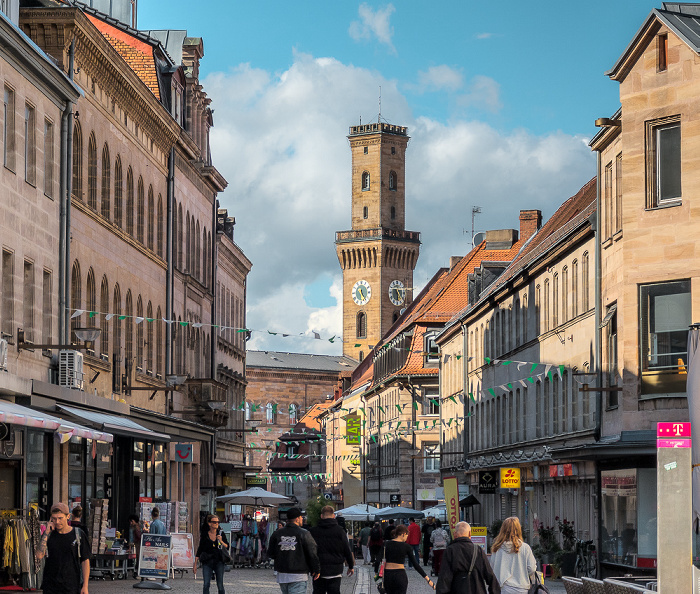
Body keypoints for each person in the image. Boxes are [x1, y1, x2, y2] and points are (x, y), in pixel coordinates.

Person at [36, 502, 91, 594]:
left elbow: (85, 561)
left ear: (68, 516)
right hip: (50, 586)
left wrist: (85, 586)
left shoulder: (78, 534)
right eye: (54, 518)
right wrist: (46, 532)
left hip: (71, 586)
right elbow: (39, 555)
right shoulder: (49, 535)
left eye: (60, 518)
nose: (57, 522)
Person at [436, 521, 500, 594]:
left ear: (454, 534)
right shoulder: (478, 550)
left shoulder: (450, 551)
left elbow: (444, 579)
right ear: (470, 534)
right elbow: (490, 576)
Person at [268, 507, 320, 594]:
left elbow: (271, 553)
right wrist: (316, 569)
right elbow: (312, 552)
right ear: (297, 519)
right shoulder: (304, 533)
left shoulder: (277, 533)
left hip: (282, 574)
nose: (302, 519)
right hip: (299, 574)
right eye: (301, 517)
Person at [374, 524, 434, 593]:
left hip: (388, 575)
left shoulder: (386, 544)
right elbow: (415, 564)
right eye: (407, 535)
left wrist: (376, 573)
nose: (407, 538)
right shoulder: (407, 547)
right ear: (403, 534)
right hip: (400, 574)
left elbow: (378, 560)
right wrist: (427, 579)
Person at [309, 506, 355, 594]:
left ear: (321, 516)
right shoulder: (340, 531)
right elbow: (347, 549)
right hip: (335, 569)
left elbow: (310, 550)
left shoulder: (313, 531)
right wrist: (350, 566)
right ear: (333, 516)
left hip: (319, 569)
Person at [489, 517, 536, 594]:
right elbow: (531, 568)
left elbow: (492, 568)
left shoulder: (497, 548)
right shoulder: (525, 548)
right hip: (521, 588)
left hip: (503, 587)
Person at [195, 514, 229, 594]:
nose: (216, 524)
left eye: (218, 522)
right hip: (207, 562)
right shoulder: (205, 535)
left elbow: (227, 546)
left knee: (220, 585)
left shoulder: (221, 534)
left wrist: (221, 541)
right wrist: (195, 563)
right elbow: (200, 549)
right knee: (206, 584)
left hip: (219, 561)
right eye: (214, 522)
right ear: (209, 523)